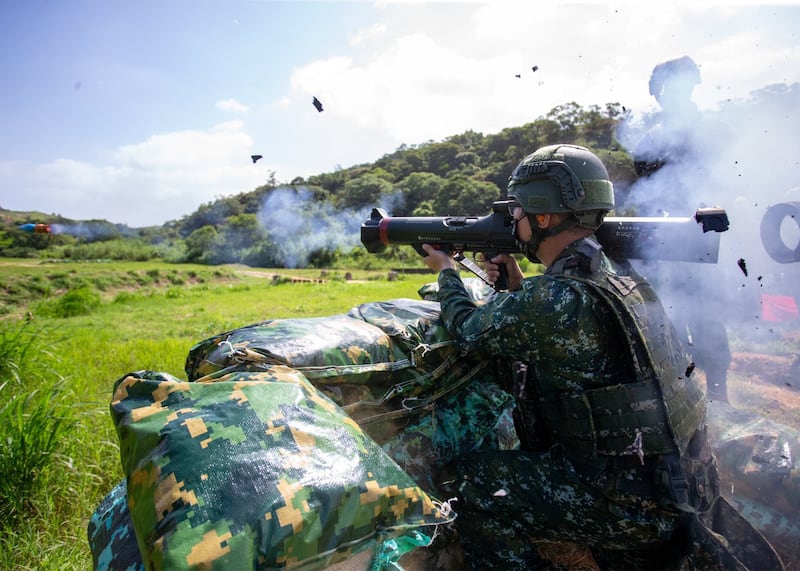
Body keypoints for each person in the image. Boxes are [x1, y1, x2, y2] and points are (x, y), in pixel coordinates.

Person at [421, 144, 782, 570]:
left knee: (469, 482)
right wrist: (519, 286)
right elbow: (562, 325)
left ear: (544, 217)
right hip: (681, 483)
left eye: (516, 210)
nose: (510, 220)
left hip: (633, 505)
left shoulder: (555, 298)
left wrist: (446, 271)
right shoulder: (619, 274)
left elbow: (469, 331)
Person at [628, 55, 732, 404]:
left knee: (706, 316)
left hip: (705, 240)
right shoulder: (649, 142)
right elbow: (646, 197)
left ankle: (718, 393)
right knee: (663, 318)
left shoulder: (713, 131)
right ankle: (677, 394)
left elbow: (727, 180)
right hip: (663, 245)